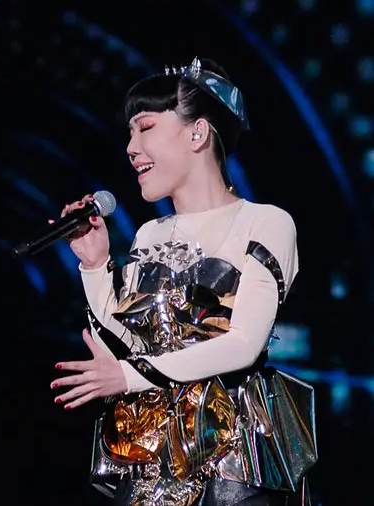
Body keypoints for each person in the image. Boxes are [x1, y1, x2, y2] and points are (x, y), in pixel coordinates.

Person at [50, 58, 316, 505]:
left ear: (198, 133)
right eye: (130, 133)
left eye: (145, 127)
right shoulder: (148, 235)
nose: (131, 147)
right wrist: (94, 267)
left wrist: (129, 376)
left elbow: (242, 344)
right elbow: (129, 349)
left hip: (231, 459)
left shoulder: (265, 223)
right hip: (150, 455)